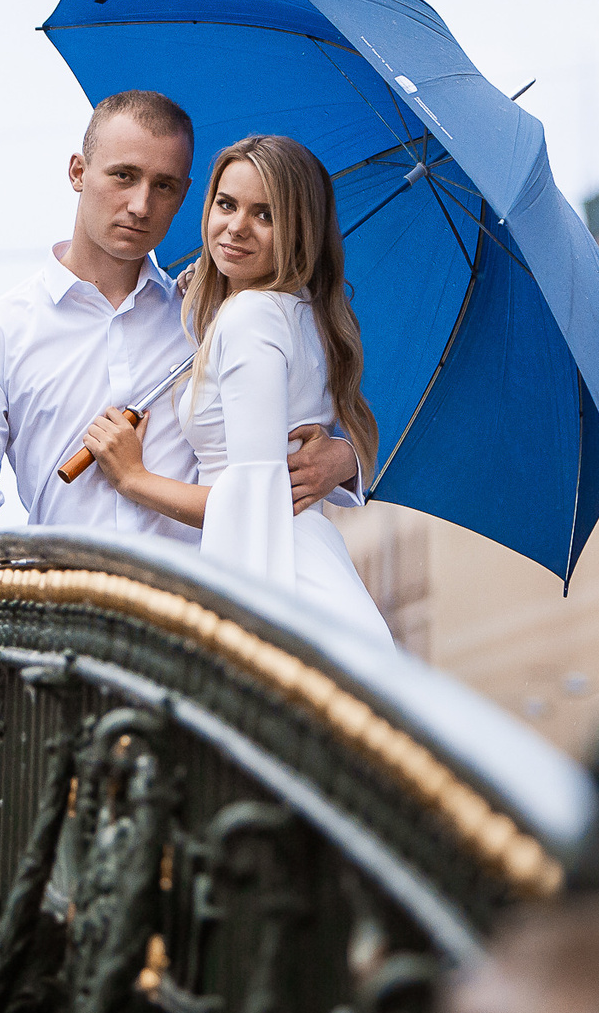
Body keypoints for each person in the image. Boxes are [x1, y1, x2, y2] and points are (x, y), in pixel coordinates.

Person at [0, 93, 361, 592]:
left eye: (163, 186)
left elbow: (299, 420)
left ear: (187, 195)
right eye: (124, 176)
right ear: (78, 172)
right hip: (66, 620)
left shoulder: (207, 315)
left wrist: (342, 457)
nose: (141, 205)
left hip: (197, 620)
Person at [78, 134, 393, 646]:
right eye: (226, 204)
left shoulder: (251, 316)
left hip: (280, 579)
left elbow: (252, 501)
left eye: (265, 215)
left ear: (297, 230)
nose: (237, 227)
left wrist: (133, 478)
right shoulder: (298, 313)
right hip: (307, 561)